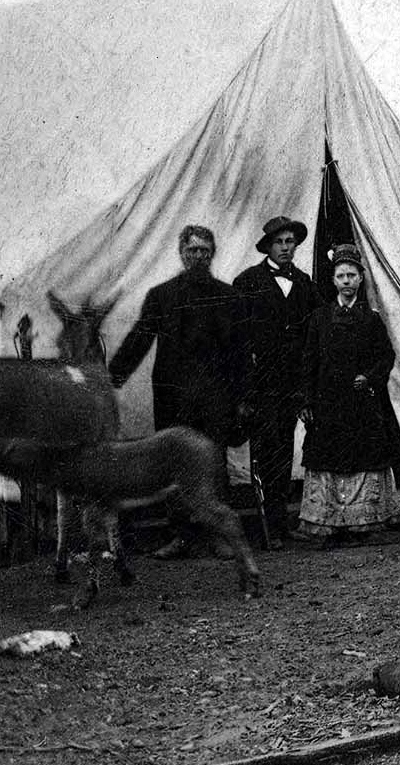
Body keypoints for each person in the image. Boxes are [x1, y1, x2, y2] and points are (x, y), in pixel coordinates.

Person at [108, 224, 243, 560]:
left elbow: (241, 352)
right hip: (173, 395)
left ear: (212, 254)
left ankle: (220, 537)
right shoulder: (161, 296)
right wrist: (111, 379)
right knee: (174, 464)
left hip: (215, 396)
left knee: (214, 463)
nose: (198, 256)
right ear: (181, 254)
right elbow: (139, 339)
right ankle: (181, 536)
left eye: (204, 251)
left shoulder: (228, 297)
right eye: (192, 250)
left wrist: (243, 398)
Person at [296, 244, 400, 546]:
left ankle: (362, 524)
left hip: (360, 403)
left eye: (351, 275)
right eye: (340, 276)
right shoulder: (319, 318)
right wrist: (306, 400)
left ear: (360, 279)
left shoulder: (371, 319)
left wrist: (369, 377)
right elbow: (308, 361)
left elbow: (386, 356)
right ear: (333, 281)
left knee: (362, 455)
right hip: (327, 402)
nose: (346, 281)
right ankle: (329, 525)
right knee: (328, 458)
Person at [233, 215, 322, 550]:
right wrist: (244, 389)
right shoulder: (247, 282)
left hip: (292, 385)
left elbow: (317, 331)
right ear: (268, 246)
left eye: (290, 242)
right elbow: (237, 341)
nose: (286, 248)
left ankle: (279, 524)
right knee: (264, 453)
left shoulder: (304, 283)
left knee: (284, 452)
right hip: (260, 385)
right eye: (280, 242)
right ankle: (263, 529)